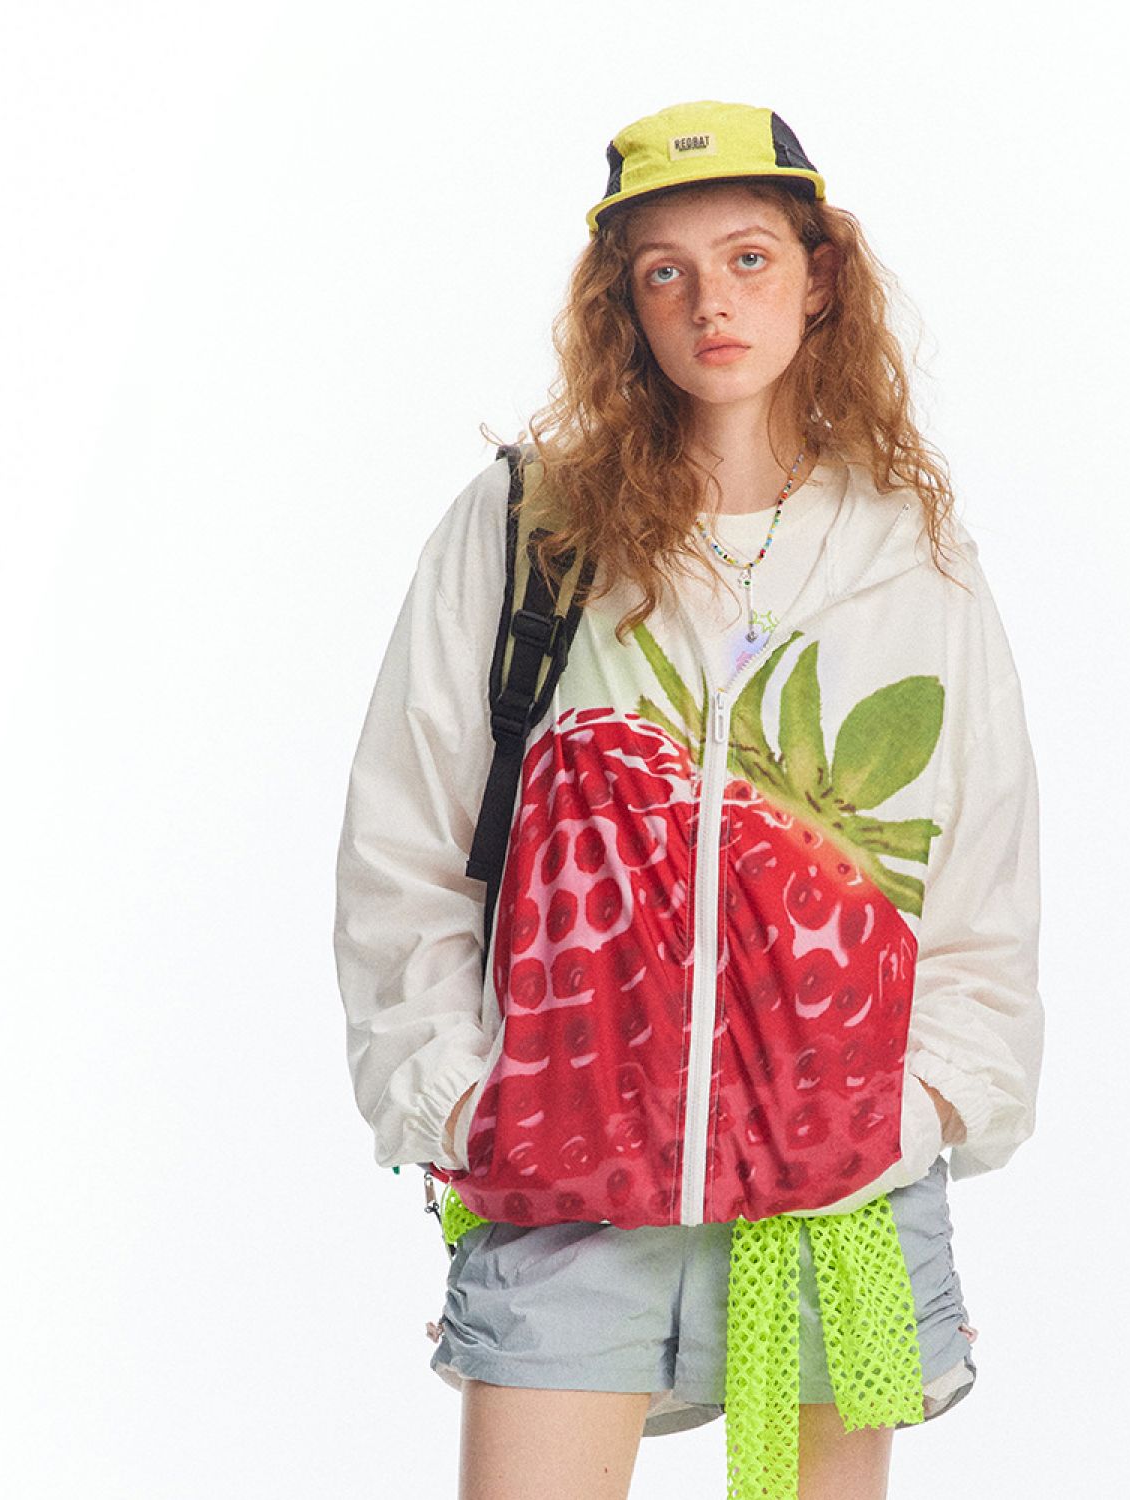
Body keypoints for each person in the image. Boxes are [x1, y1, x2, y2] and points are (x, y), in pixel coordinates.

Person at [333, 99, 1044, 1500]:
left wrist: (917, 1109)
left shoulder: (908, 549)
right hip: (572, 1184)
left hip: (837, 1195)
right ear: (625, 303)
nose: (712, 302)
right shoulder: (526, 525)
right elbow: (405, 843)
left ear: (819, 277)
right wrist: (462, 1100)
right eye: (666, 271)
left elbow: (982, 872)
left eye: (748, 258)